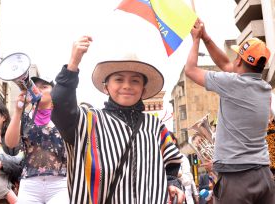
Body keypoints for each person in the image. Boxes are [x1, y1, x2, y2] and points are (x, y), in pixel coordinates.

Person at [51, 36, 185, 204]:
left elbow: (171, 163)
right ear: (106, 87)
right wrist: (72, 65)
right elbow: (60, 107)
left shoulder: (156, 127)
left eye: (135, 80)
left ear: (143, 90)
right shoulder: (88, 121)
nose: (127, 85)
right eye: (119, 79)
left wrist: (172, 182)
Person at [185, 19, 275, 203]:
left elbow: (190, 70)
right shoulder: (265, 89)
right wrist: (206, 38)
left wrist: (195, 39)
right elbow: (227, 66)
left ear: (239, 61)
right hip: (264, 175)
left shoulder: (232, 83)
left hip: (237, 179)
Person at [5, 76, 68, 204]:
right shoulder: (25, 118)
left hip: (60, 183)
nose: (38, 90)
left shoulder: (63, 117)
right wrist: (18, 111)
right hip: (30, 184)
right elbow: (10, 143)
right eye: (35, 87)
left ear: (54, 92)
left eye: (44, 87)